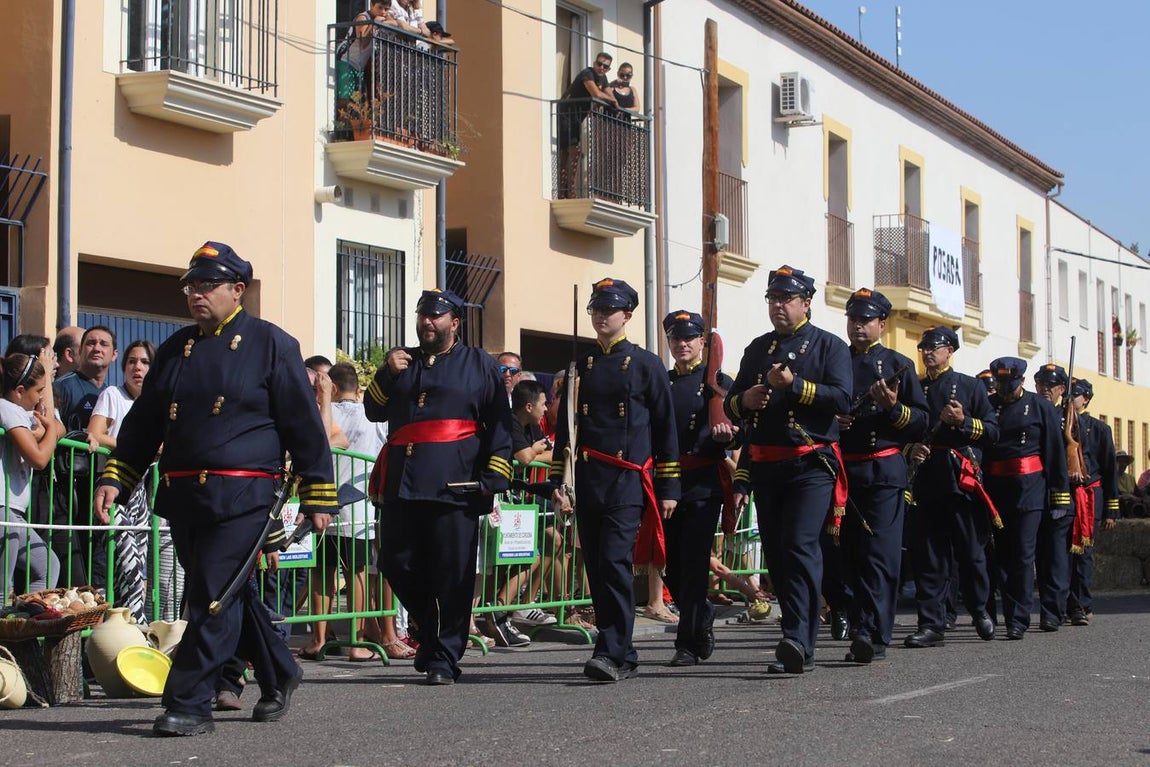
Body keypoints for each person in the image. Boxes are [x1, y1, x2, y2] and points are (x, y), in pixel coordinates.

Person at [93, 241, 336, 737]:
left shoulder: (272, 343)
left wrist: (317, 493)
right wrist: (118, 474)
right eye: (191, 285)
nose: (195, 293)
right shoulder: (177, 348)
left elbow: (302, 423)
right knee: (226, 593)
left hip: (246, 496)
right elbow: (144, 423)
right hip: (186, 495)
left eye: (207, 285)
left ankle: (190, 701)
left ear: (238, 290)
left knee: (211, 598)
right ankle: (281, 672)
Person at [364, 288, 514, 685]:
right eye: (422, 316)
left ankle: (445, 657)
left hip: (456, 482)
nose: (427, 322)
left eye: (435, 316)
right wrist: (386, 372)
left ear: (454, 322)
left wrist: (496, 472)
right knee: (396, 562)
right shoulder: (403, 362)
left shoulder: (478, 363)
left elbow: (500, 422)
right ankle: (428, 630)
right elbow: (373, 408)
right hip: (403, 482)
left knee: (453, 573)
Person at [549, 278, 680, 682]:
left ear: (627, 314)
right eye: (596, 309)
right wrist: (558, 479)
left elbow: (665, 427)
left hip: (627, 478)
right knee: (596, 567)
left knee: (614, 563)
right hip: (589, 476)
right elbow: (567, 428)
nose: (602, 316)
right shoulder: (580, 366)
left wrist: (669, 485)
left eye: (610, 309)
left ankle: (610, 648)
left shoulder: (645, 364)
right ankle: (622, 650)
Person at [725, 265, 850, 675]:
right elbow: (731, 405)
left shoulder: (829, 346)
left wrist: (794, 386)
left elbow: (842, 399)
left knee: (799, 546)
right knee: (778, 556)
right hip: (767, 465)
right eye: (773, 299)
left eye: (786, 299)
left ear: (806, 303)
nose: (778, 306)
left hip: (810, 463)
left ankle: (798, 637)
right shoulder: (758, 348)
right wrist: (747, 401)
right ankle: (799, 634)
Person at [834, 289, 927, 664]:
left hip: (883, 469)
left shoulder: (897, 363)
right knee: (847, 556)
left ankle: (875, 633)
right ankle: (858, 624)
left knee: (880, 556)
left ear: (881, 324)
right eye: (853, 319)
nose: (858, 326)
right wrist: (832, 420)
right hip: (842, 469)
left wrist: (893, 408)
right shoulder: (834, 360)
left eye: (866, 320)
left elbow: (920, 421)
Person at [903, 326, 999, 649]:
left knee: (971, 553)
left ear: (950, 351)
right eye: (924, 347)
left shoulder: (970, 387)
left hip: (959, 480)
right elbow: (901, 431)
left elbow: (992, 432)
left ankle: (979, 608)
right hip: (926, 480)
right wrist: (909, 450)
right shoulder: (913, 387)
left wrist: (963, 423)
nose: (928, 352)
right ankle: (931, 623)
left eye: (935, 346)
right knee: (929, 556)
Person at [660, 310, 737, 667]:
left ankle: (687, 642)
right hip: (667, 484)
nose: (683, 344)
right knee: (670, 566)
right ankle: (701, 612)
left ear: (702, 342)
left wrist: (727, 437)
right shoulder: (662, 383)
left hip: (702, 484)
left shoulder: (719, 383)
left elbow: (741, 428)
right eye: (676, 338)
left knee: (692, 564)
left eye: (690, 338)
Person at [982, 357, 1070, 640]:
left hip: (1030, 489)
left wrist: (1059, 496)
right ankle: (1010, 613)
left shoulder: (1040, 406)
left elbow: (1054, 454)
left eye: (1010, 384)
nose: (1005, 390)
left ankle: (1018, 619)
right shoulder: (989, 405)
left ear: (1021, 381)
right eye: (1000, 384)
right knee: (1004, 556)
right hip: (997, 488)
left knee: (1022, 554)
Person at [86, 340, 171, 625]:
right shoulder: (113, 394)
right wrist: (139, 448)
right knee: (109, 565)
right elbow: (95, 432)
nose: (138, 368)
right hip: (116, 491)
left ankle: (135, 632)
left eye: (145, 362)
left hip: (147, 498)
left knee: (141, 571)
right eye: (132, 361)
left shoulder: (158, 404)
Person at [1, 348, 63, 598]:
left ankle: (25, 631)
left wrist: (45, 431)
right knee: (3, 586)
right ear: (19, 392)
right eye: (39, 391)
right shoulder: (7, 408)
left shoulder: (20, 410)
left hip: (14, 512)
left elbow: (58, 428)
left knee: (48, 566)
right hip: (3, 509)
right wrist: (46, 432)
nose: (41, 398)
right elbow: (39, 459)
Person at [1065, 378, 1119, 627]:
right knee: (1062, 553)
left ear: (1085, 398)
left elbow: (1109, 470)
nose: (1069, 399)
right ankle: (1062, 603)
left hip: (1090, 495)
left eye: (1074, 395)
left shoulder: (1099, 429)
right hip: (1065, 494)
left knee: (1084, 553)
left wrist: (1111, 508)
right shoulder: (1059, 422)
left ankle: (1080, 604)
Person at [1032, 363, 1076, 631]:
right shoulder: (1030, 412)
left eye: (1051, 386)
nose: (1045, 390)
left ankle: (1053, 611)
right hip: (1034, 491)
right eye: (1041, 385)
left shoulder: (1070, 419)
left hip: (1060, 494)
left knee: (1057, 557)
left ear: (1062, 390)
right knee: (1038, 554)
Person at [557, 52, 618, 198]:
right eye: (599, 64)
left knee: (572, 150)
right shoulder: (587, 73)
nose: (601, 68)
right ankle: (565, 188)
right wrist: (610, 100)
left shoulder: (603, 79)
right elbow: (596, 93)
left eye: (605, 66)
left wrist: (611, 100)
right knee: (571, 150)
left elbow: (612, 97)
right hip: (567, 112)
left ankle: (566, 188)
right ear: (594, 63)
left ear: (608, 69)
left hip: (577, 116)